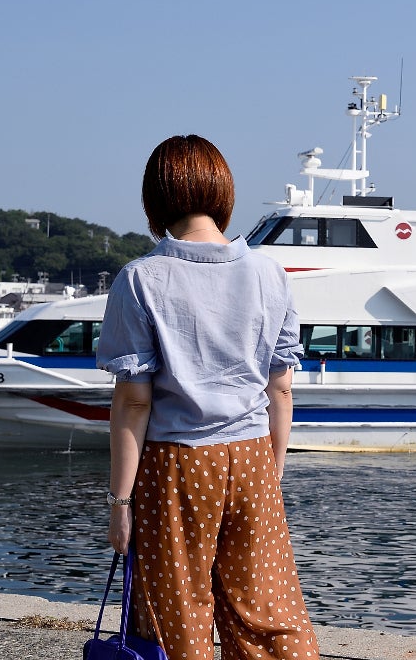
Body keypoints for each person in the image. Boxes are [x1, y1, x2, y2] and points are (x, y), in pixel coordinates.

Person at [95, 134, 319, 660]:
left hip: (177, 462)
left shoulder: (141, 279)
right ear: (222, 192)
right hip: (253, 457)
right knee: (265, 611)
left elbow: (134, 403)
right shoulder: (269, 272)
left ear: (156, 198)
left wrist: (119, 503)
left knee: (176, 615)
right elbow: (280, 386)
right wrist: (273, 471)